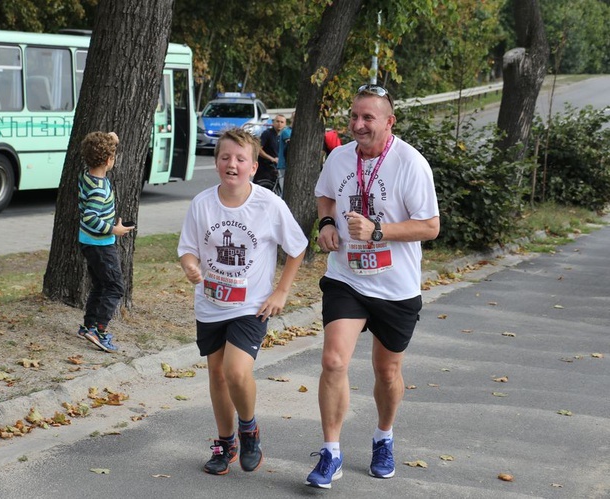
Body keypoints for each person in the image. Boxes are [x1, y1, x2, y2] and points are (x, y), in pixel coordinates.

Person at [305, 84, 440, 488]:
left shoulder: (411, 164)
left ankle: (384, 436)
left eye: (368, 118)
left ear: (389, 122)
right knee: (333, 361)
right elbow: (325, 197)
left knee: (387, 370)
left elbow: (430, 226)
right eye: (354, 116)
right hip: (346, 278)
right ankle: (331, 453)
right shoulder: (340, 157)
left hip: (395, 286)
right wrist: (327, 223)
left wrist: (379, 230)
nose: (358, 125)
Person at [178, 128, 308, 476]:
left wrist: (280, 291)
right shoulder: (202, 203)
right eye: (225, 157)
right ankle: (225, 442)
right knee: (218, 377)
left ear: (253, 166)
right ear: (216, 162)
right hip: (210, 304)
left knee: (236, 372)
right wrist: (191, 266)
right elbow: (188, 249)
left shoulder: (268, 204)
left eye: (239, 159)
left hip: (251, 306)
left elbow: (297, 247)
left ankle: (249, 430)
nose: (231, 164)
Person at [76, 131, 135, 353]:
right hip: (100, 245)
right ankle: (99, 331)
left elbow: (99, 151)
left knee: (101, 285)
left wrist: (111, 140)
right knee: (115, 286)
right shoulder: (99, 189)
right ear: (109, 160)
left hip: (88, 243)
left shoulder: (86, 175)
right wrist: (114, 229)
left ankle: (88, 326)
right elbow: (90, 217)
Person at [254, 114, 286, 190]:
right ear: (273, 122)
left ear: (285, 124)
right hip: (264, 168)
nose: (279, 124)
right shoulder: (267, 133)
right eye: (277, 121)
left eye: (282, 122)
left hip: (276, 167)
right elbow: (258, 149)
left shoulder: (284, 135)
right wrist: (271, 158)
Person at [274, 113, 294, 196]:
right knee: (285, 192)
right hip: (284, 166)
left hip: (289, 166)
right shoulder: (287, 132)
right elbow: (291, 147)